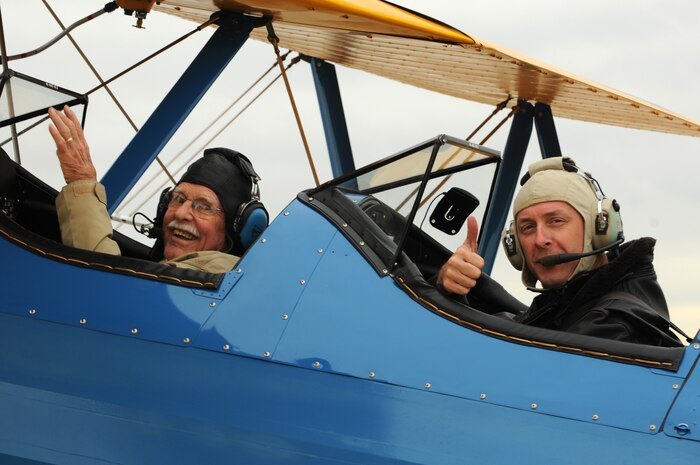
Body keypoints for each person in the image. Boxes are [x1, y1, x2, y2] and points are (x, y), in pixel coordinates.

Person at [436, 156, 682, 347]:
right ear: (514, 245)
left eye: (556, 221)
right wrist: (450, 287)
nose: (540, 240)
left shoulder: (614, 325)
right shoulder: (566, 304)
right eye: (528, 227)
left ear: (599, 230)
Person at [48, 105, 267, 274]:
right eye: (178, 199)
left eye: (204, 207)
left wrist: (81, 180)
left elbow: (108, 286)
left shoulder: (214, 273)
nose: (181, 213)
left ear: (234, 229)